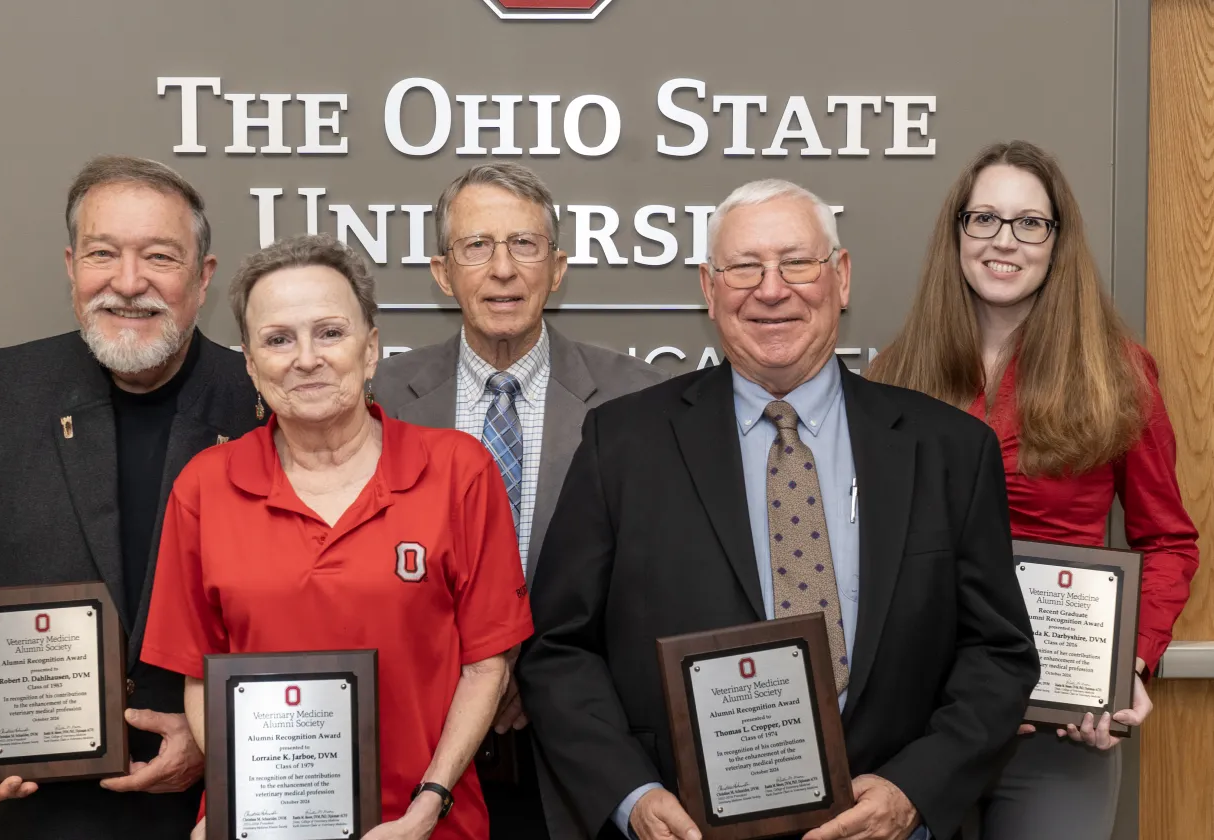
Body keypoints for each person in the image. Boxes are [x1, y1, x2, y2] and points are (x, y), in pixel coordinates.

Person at [518, 177, 1041, 840]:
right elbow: (559, 649)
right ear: (709, 289)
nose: (771, 290)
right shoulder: (622, 443)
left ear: (841, 278)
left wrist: (915, 789)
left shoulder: (948, 450)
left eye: (797, 262)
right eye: (744, 267)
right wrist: (633, 797)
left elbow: (999, 653)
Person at [0, 155, 263, 838]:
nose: (128, 283)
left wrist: (218, 735)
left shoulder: (259, 401)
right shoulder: (1, 391)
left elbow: (309, 613)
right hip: (38, 808)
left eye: (159, 256)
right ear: (71, 266)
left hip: (215, 811)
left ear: (203, 277)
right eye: (103, 253)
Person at [141, 233, 534, 840]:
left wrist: (429, 805)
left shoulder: (460, 471)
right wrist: (233, 800)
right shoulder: (205, 487)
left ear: (370, 348)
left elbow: (487, 664)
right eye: (278, 339)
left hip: (428, 826)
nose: (306, 358)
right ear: (249, 362)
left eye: (330, 332)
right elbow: (200, 674)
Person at [867, 140, 1199, 840]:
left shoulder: (1118, 373)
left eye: (1029, 223)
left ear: (1058, 242)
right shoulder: (894, 373)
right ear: (956, 232)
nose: (1004, 242)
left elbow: (1167, 539)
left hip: (1059, 727)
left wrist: (1126, 662)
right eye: (984, 218)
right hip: (922, 724)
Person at [372, 162, 667, 840]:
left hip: (585, 753)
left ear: (557, 268)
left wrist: (530, 674)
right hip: (418, 744)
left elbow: (647, 579)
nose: (502, 269)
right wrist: (476, 674)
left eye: (524, 245)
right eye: (476, 247)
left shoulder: (638, 401)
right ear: (443, 273)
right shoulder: (380, 401)